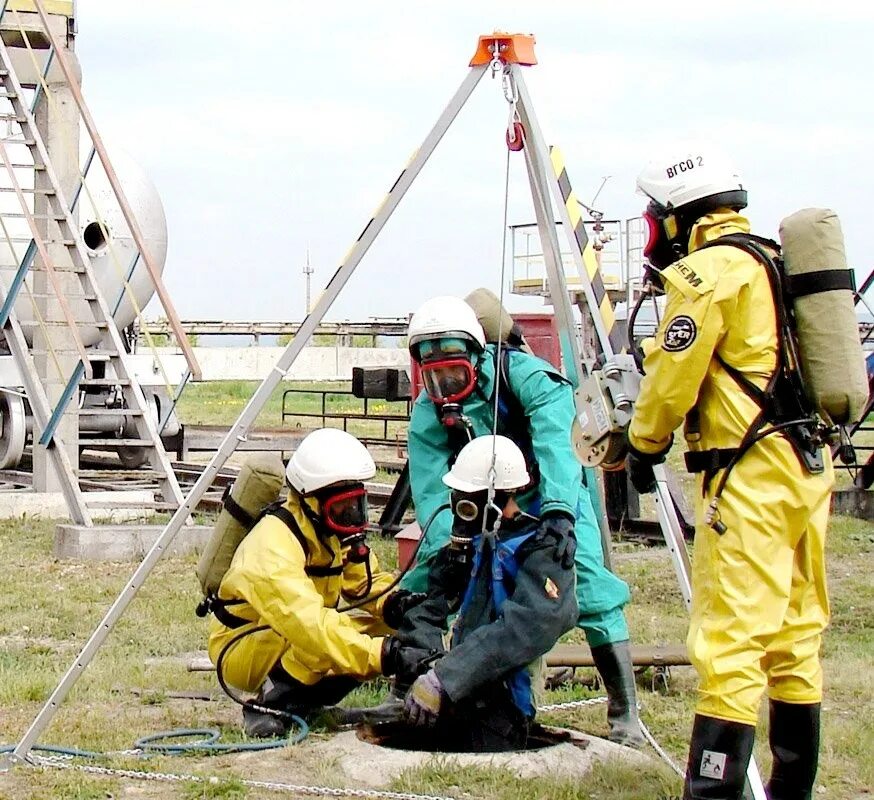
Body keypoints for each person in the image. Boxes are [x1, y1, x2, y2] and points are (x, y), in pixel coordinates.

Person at [627, 144, 833, 799]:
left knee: (730, 641)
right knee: (796, 634)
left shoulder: (707, 273)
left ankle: (712, 791)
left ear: (680, 215)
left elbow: (672, 376)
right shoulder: (771, 261)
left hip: (747, 479)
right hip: (806, 468)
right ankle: (793, 788)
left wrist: (643, 443)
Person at [400, 294, 644, 748]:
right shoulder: (429, 411)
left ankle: (625, 712)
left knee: (587, 581)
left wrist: (558, 514)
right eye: (433, 377)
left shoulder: (525, 377)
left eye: (455, 372)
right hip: (479, 499)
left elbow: (558, 441)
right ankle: (420, 680)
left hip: (546, 492)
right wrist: (448, 547)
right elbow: (431, 486)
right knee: (434, 582)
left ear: (478, 356)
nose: (445, 385)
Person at [207, 427, 428, 738]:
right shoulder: (272, 545)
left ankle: (311, 702)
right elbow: (310, 626)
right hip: (244, 646)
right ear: (310, 500)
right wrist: (384, 656)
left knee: (382, 629)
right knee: (326, 644)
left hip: (292, 631)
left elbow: (363, 582)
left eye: (356, 504)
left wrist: (393, 604)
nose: (351, 516)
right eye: (341, 507)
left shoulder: (325, 532)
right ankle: (269, 703)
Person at [396, 434, 578, 751]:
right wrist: (426, 662)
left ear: (496, 497)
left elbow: (529, 625)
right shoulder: (484, 537)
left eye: (468, 500)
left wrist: (446, 677)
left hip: (504, 698)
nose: (461, 510)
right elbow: (432, 601)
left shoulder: (542, 548)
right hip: (460, 685)